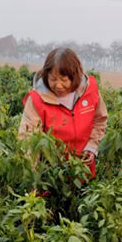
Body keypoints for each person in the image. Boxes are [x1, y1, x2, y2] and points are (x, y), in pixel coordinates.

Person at [18, 48, 108, 176]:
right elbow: (29, 141)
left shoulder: (89, 92)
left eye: (64, 80)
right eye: (53, 79)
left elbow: (100, 120)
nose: (58, 85)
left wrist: (91, 146)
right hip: (51, 178)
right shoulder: (37, 100)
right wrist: (33, 178)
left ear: (75, 76)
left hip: (84, 174)